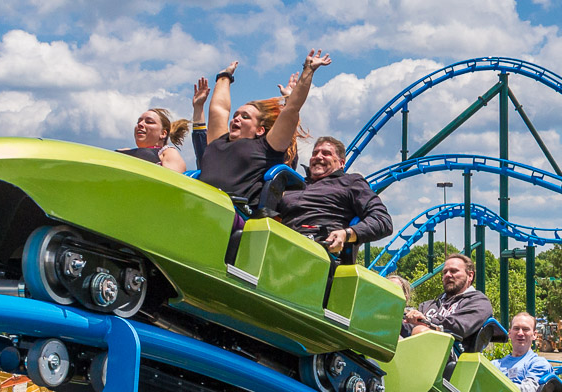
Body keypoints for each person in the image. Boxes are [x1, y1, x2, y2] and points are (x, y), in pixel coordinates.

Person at [198, 50, 330, 211]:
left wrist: (308, 70)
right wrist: (224, 77)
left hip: (234, 213)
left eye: (245, 117)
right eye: (236, 115)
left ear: (260, 130)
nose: (236, 119)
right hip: (200, 206)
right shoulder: (218, 141)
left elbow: (292, 109)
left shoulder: (265, 147)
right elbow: (219, 109)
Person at [277, 136, 392, 262]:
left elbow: (382, 220)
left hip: (318, 251)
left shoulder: (350, 182)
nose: (318, 156)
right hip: (280, 244)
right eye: (315, 153)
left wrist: (346, 234)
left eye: (326, 153)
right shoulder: (294, 184)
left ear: (341, 163)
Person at [404, 254, 494, 345]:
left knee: (421, 331)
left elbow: (457, 327)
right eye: (445, 272)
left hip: (453, 354)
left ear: (470, 276)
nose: (447, 275)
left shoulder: (479, 302)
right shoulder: (428, 306)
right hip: (415, 350)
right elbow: (408, 330)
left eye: (454, 271)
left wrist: (427, 321)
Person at [493, 311, 558, 392]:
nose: (520, 333)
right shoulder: (496, 364)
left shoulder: (538, 363)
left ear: (534, 335)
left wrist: (495, 388)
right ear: (509, 333)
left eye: (525, 329)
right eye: (516, 328)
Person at [117, 108, 189, 172]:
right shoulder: (125, 150)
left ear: (163, 133)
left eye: (149, 122)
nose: (140, 124)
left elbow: (174, 181)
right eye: (138, 122)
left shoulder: (168, 152)